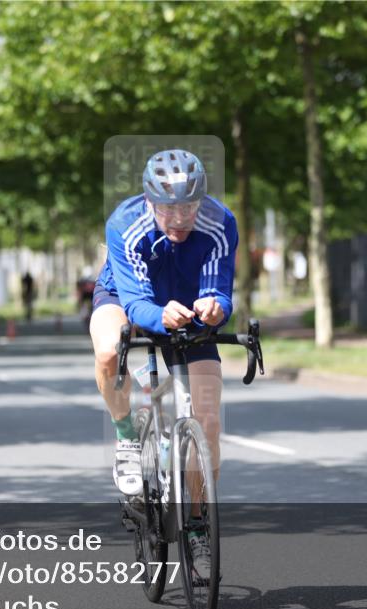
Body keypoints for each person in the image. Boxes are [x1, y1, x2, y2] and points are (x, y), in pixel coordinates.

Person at [90, 148, 238, 582]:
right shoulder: (124, 222)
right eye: (169, 207)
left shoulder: (220, 222)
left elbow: (220, 286)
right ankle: (126, 438)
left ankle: (196, 526)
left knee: (208, 421)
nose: (179, 217)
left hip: (189, 306)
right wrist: (159, 316)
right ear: (149, 202)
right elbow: (136, 302)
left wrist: (216, 308)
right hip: (127, 295)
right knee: (107, 351)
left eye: (188, 206)